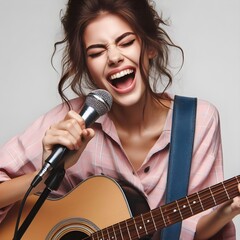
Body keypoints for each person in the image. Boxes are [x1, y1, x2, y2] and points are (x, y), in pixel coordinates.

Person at [0, 0, 240, 239]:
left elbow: (191, 232)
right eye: (96, 52)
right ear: (86, 66)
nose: (114, 57)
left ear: (150, 47)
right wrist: (50, 173)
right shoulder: (71, 121)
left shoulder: (197, 121)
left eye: (126, 42)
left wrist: (226, 212)